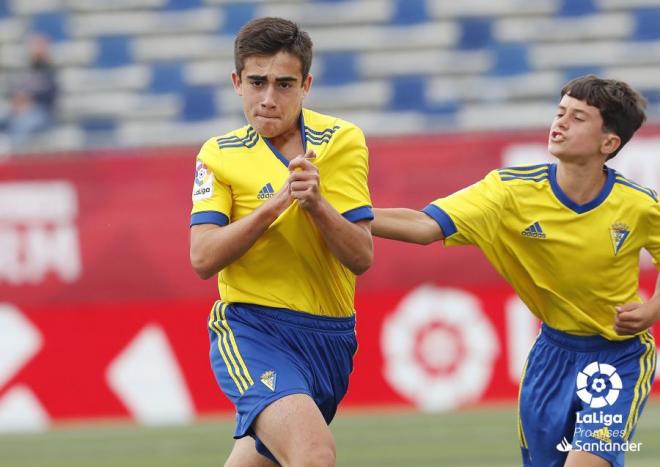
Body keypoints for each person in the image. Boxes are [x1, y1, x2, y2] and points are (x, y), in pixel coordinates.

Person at [371, 75, 659, 467]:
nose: (559, 123)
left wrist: (653, 307)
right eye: (560, 113)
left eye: (577, 118)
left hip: (618, 357)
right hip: (550, 358)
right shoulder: (508, 192)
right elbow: (424, 227)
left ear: (609, 143)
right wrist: (340, 213)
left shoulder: (639, 205)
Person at [189, 17, 373, 467]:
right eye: (257, 82)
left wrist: (317, 205)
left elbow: (361, 256)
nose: (268, 99)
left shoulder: (341, 141)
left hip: (330, 338)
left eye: (284, 84)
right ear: (237, 82)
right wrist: (277, 204)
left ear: (306, 84)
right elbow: (203, 256)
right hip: (253, 328)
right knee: (313, 454)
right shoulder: (219, 154)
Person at [6, 34, 58, 149]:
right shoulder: (25, 69)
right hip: (19, 109)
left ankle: (14, 159)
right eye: (33, 46)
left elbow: (47, 93)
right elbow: (15, 90)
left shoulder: (49, 70)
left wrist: (27, 103)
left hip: (42, 113)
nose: (35, 50)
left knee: (22, 124)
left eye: (39, 47)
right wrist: (17, 103)